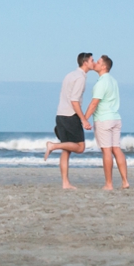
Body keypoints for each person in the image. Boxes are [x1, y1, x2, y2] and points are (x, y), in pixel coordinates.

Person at [44, 52, 95, 189]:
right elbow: (74, 100)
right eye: (92, 60)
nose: (93, 63)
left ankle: (65, 183)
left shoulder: (69, 75)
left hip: (60, 114)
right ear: (85, 62)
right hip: (70, 115)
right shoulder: (80, 78)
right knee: (80, 147)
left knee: (66, 150)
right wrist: (83, 120)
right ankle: (53, 146)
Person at [84, 55, 130, 190]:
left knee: (107, 151)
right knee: (116, 148)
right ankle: (125, 181)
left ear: (104, 66)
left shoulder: (101, 83)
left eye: (98, 62)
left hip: (104, 119)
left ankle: (109, 184)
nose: (96, 64)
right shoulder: (113, 81)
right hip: (115, 118)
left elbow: (94, 104)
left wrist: (84, 118)